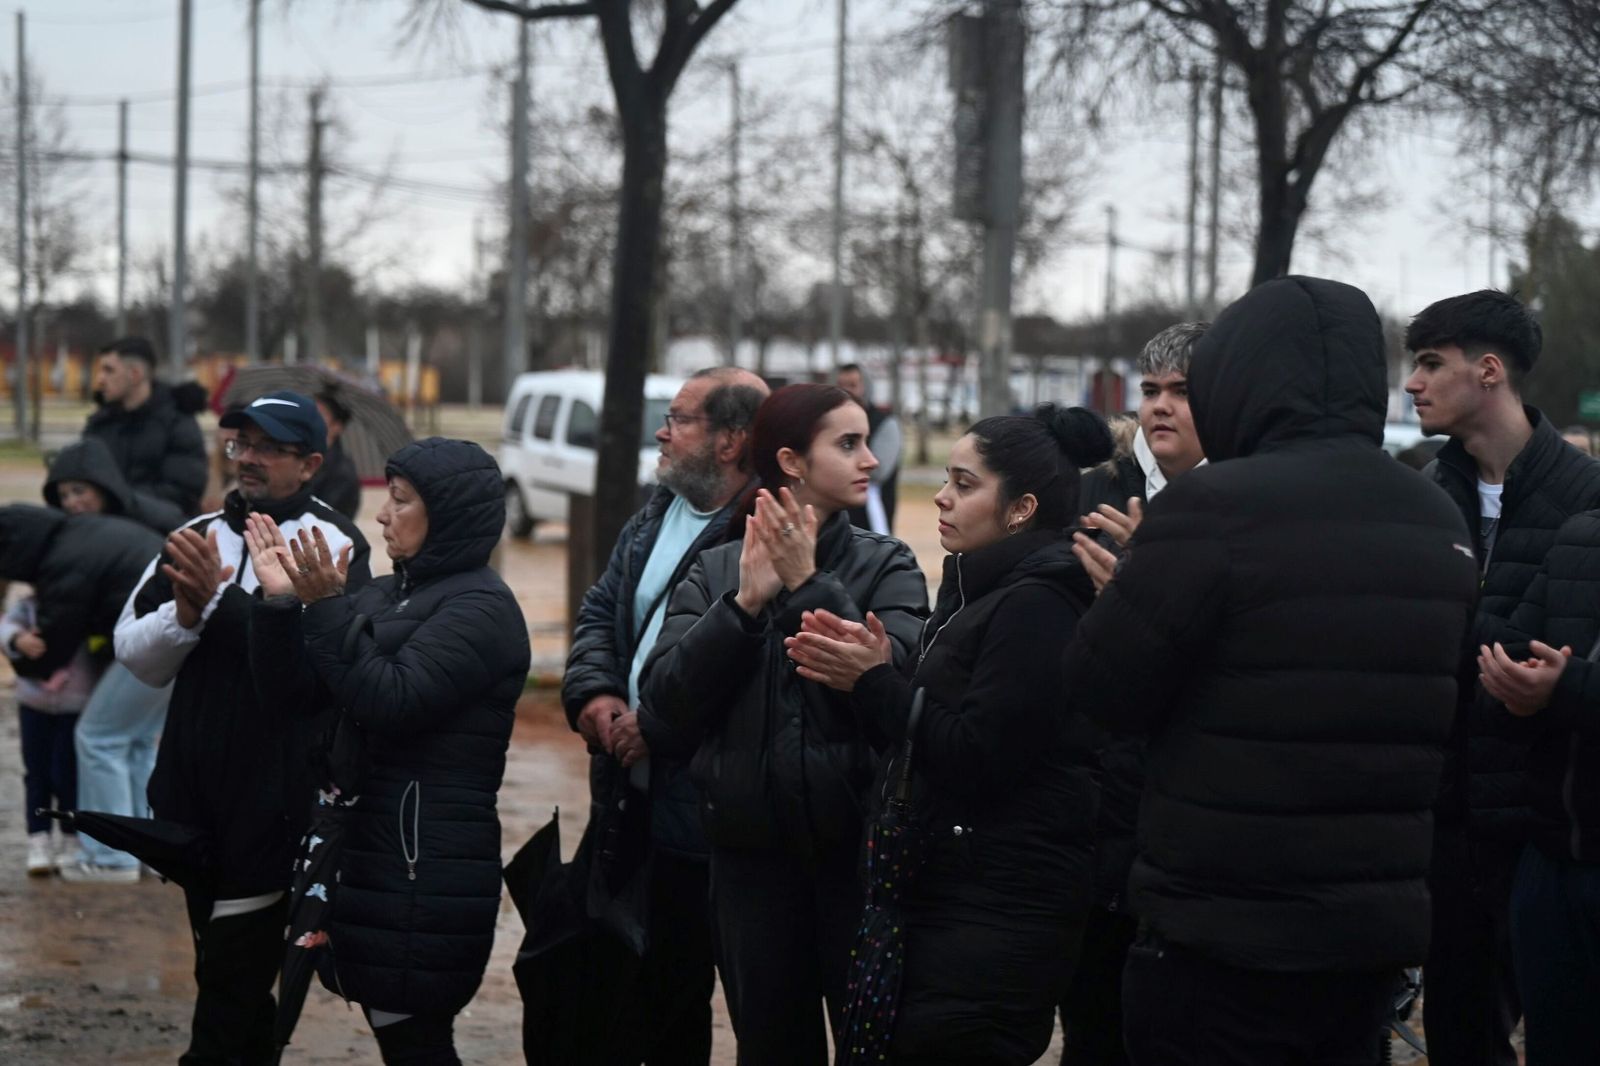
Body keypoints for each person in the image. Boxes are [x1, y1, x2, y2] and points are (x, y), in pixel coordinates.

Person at [1062, 277, 1479, 1066]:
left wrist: (1130, 594)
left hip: (1222, 926)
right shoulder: (1436, 516)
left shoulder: (1212, 506)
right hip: (1369, 928)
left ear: (1240, 374)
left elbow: (1099, 690)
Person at [786, 404, 1113, 1064]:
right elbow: (926, 736)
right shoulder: (983, 588)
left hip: (993, 914)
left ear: (1020, 509)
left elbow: (979, 755)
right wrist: (879, 676)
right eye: (945, 479)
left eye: (964, 484)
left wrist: (876, 684)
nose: (941, 496)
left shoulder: (1038, 604)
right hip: (949, 899)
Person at [641, 384, 929, 1066]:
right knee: (770, 1047)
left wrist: (809, 585)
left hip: (857, 859)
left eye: (867, 442)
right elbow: (663, 710)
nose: (870, 460)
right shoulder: (718, 567)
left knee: (874, 1047)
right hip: (750, 864)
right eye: (848, 444)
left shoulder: (886, 563)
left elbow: (894, 693)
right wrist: (742, 607)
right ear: (792, 462)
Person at [243, 436, 529, 1065]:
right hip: (368, 848)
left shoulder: (483, 608)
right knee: (399, 1030)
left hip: (423, 859)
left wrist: (325, 606)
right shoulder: (383, 593)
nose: (381, 515)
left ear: (447, 515)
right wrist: (279, 604)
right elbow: (295, 699)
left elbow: (391, 700)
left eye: (399, 500)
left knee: (415, 1037)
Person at [115, 390, 370, 1064]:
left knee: (233, 979)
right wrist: (184, 615)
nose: (249, 458)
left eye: (270, 448)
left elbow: (321, 678)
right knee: (226, 974)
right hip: (192, 795)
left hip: (275, 806)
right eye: (242, 444)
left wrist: (223, 604)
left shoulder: (335, 543)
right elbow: (135, 657)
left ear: (310, 463)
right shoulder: (197, 535)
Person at [1403, 289, 1600, 1066]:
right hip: (1446, 827)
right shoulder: (1423, 498)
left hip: (1549, 837)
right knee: (1460, 1037)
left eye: (1430, 363)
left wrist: (1562, 688)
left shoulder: (1588, 499)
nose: (1413, 383)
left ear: (1489, 371)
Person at [562, 366, 768, 1064]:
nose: (662, 431)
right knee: (621, 982)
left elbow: (740, 672)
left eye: (679, 419)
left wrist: (656, 726)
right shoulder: (658, 510)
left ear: (730, 441)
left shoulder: (762, 528)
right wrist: (595, 692)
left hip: (699, 809)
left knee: (680, 991)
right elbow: (601, 610)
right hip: (628, 790)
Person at [1063, 321, 1208, 1066]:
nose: (1160, 406)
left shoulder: (1240, 503)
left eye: (1181, 391)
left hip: (1198, 812)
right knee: (1095, 1025)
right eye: (1150, 390)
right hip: (1095, 800)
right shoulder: (1091, 493)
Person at [1474, 511, 1600, 1063]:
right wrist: (1513, 690)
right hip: (1552, 867)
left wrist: (1567, 687)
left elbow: (1564, 685)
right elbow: (1515, 656)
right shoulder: (1581, 536)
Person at [84, 337, 209, 518]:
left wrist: (116, 500)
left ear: (135, 374)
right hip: (103, 523)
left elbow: (182, 493)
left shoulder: (177, 423)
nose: (100, 379)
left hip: (160, 529)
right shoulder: (100, 423)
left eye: (108, 370)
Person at [45, 435, 185, 533]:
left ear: (102, 487)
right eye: (63, 496)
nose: (70, 503)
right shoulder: (67, 532)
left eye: (79, 491)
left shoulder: (159, 521)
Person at [837, 364, 902, 535]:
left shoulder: (884, 423)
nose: (846, 391)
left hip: (872, 514)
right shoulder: (832, 423)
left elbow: (878, 471)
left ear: (865, 387)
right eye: (841, 385)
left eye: (852, 385)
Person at [308, 387, 362, 519]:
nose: (310, 419)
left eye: (319, 415)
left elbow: (325, 516)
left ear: (337, 427)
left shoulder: (341, 473)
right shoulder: (302, 457)